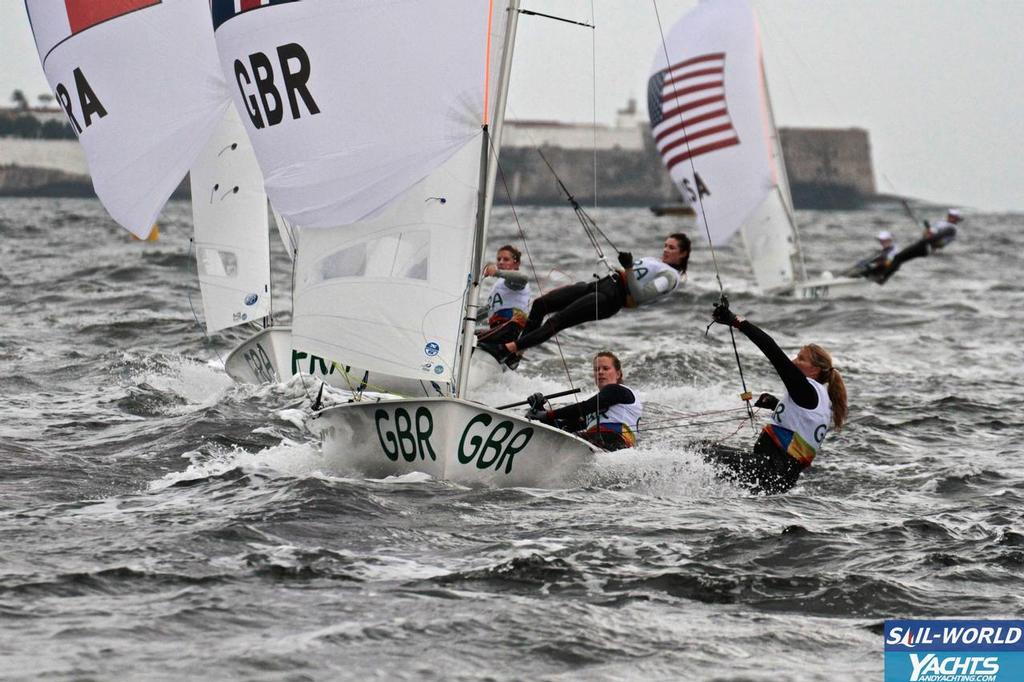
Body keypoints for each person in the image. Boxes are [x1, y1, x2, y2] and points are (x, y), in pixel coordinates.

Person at [480, 233, 690, 365]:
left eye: (672, 248)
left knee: (557, 321)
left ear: (683, 254)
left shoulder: (670, 277)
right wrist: (623, 268)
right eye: (665, 245)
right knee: (540, 304)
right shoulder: (656, 262)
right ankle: (518, 353)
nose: (666, 250)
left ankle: (506, 349)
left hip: (609, 299)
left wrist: (628, 267)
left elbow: (640, 295)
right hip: (600, 285)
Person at [705, 301, 848, 494]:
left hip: (772, 471)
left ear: (814, 370)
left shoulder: (806, 390)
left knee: (701, 455)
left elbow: (771, 349)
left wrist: (736, 321)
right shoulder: (817, 396)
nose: (794, 361)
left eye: (801, 359)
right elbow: (801, 423)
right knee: (703, 448)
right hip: (776, 474)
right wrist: (776, 405)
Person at [526, 351, 642, 451]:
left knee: (565, 441)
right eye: (596, 369)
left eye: (605, 368)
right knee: (563, 437)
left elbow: (585, 407)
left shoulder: (619, 390)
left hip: (618, 443)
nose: (600, 372)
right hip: (599, 443)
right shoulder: (593, 413)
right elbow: (561, 427)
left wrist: (547, 415)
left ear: (618, 374)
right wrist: (540, 409)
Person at [878, 208, 963, 283]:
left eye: (952, 216)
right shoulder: (945, 224)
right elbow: (933, 234)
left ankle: (882, 276)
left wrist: (925, 240)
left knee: (898, 257)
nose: (950, 217)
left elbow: (936, 238)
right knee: (899, 259)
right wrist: (928, 230)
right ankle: (882, 275)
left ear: (956, 219)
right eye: (949, 215)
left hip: (924, 246)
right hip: (924, 246)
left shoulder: (951, 229)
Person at [476, 245, 531, 347]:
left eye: (506, 259)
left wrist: (497, 272)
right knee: (467, 336)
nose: (501, 262)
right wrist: (464, 320)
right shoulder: (499, 284)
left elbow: (524, 278)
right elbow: (488, 309)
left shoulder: (515, 281)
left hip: (511, 329)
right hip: (498, 330)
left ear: (516, 263)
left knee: (472, 340)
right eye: (498, 259)